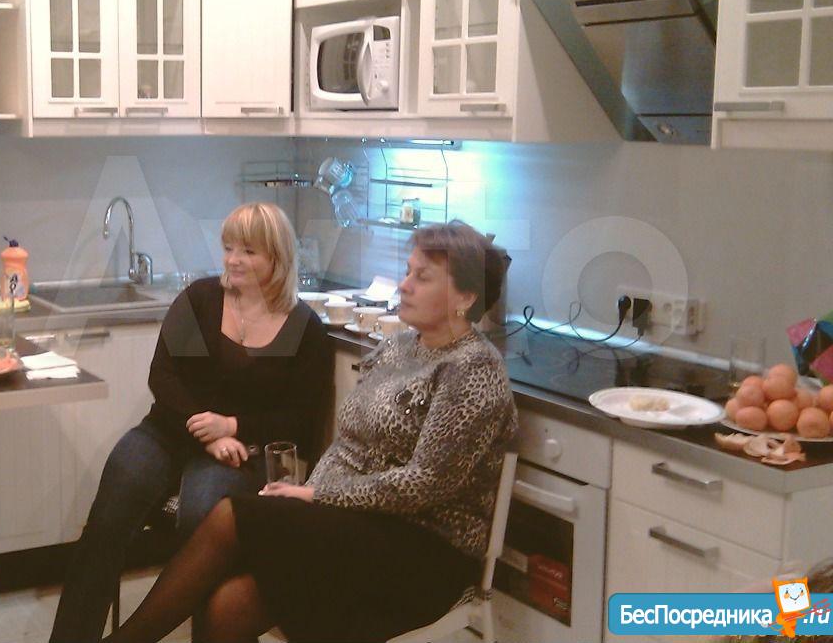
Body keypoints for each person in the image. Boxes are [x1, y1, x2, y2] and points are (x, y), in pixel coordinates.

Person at [99, 220, 517, 643]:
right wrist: (310, 497)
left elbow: (422, 484)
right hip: (353, 522)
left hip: (421, 549)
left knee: (231, 515)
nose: (404, 285)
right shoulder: (399, 346)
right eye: (407, 271)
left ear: (465, 297)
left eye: (421, 277)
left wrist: (316, 496)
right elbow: (349, 443)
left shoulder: (473, 369)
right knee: (225, 603)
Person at [50, 202, 334, 643]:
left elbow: (299, 417)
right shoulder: (200, 299)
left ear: (277, 257)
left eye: (248, 251)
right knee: (109, 517)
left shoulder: (305, 327)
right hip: (168, 431)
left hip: (241, 450)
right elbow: (162, 377)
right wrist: (206, 431)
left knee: (201, 516)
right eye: (229, 248)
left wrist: (232, 426)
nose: (233, 260)